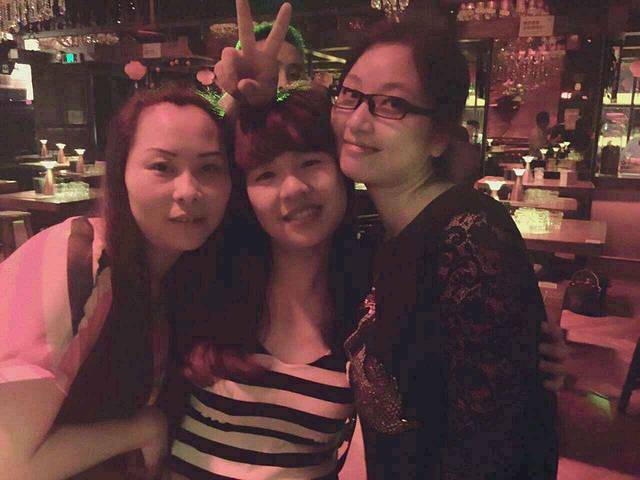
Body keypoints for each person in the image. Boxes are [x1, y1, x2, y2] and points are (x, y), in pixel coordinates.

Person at [205, 2, 567, 478]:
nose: (358, 121)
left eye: (393, 103)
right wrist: (243, 104)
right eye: (351, 94)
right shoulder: (373, 244)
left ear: (439, 134)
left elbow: (497, 446)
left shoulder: (467, 235)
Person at [0, 85, 233, 479]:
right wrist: (144, 428)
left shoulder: (179, 279)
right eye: (162, 167)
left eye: (209, 168)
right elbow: (9, 465)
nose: (189, 191)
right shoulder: (78, 256)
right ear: (121, 171)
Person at [169, 83, 368, 479]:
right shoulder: (205, 278)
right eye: (266, 174)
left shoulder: (370, 301)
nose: (293, 188)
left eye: (311, 162)